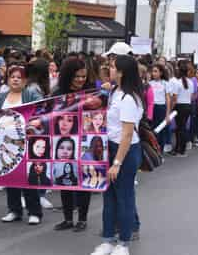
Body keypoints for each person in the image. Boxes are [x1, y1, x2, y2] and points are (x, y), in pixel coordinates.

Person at [90, 54, 143, 255]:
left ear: (122, 72)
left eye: (112, 67)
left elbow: (127, 134)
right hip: (110, 147)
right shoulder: (115, 91)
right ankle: (107, 239)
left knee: (124, 197)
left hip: (125, 152)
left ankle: (123, 243)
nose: (109, 70)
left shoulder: (130, 98)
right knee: (109, 196)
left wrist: (117, 162)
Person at [0, 65, 43, 225]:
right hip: (7, 144)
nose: (15, 79)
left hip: (27, 142)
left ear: (25, 80)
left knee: (30, 177)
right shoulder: (2, 96)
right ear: (7, 80)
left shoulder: (31, 94)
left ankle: (34, 212)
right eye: (12, 76)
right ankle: (14, 210)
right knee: (11, 177)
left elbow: (41, 112)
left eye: (19, 77)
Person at [52, 57, 93, 233]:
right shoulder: (57, 93)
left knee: (84, 182)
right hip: (63, 142)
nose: (80, 80)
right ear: (68, 75)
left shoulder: (92, 92)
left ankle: (82, 219)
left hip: (85, 143)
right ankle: (68, 219)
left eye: (83, 76)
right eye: (77, 76)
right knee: (64, 180)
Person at [171, 62, 194, 157]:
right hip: (188, 106)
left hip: (179, 106)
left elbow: (174, 98)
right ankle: (180, 149)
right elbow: (192, 96)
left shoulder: (177, 83)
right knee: (182, 127)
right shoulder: (191, 82)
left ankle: (179, 149)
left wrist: (170, 109)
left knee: (179, 128)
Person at [149, 64, 171, 152]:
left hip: (161, 108)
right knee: (152, 130)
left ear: (161, 73)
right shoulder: (149, 83)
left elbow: (168, 99)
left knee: (160, 130)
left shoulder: (165, 83)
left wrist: (168, 114)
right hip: (151, 108)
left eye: (156, 71)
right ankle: (153, 150)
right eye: (153, 71)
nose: (153, 73)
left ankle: (160, 150)